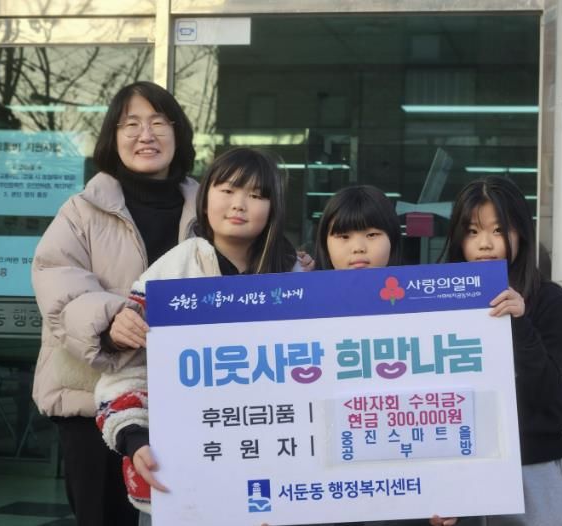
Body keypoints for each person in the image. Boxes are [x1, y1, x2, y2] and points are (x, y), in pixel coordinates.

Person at [94, 147, 301, 524]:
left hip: (275, 470)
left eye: (256, 195)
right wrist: (135, 438)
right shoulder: (174, 271)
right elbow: (127, 372)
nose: (239, 204)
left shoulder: (293, 278)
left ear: (273, 208)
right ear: (204, 198)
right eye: (228, 190)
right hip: (185, 474)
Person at [31, 81, 197, 526]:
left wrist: (290, 266)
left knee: (198, 510)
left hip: (190, 393)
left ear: (178, 133)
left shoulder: (208, 209)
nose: (146, 135)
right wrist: (109, 320)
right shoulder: (81, 210)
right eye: (131, 124)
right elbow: (57, 281)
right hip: (93, 396)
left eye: (159, 122)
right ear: (113, 136)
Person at [431, 176, 562, 526]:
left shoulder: (549, 299)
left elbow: (547, 391)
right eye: (472, 231)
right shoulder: (436, 297)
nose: (485, 244)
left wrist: (519, 322)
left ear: (520, 233)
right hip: (457, 462)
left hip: (531, 463)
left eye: (498, 230)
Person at [314, 185, 457, 526]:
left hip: (403, 484)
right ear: (325, 243)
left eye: (372, 234)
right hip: (326, 484)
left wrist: (451, 492)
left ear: (393, 238)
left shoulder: (429, 309)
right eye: (343, 236)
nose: (358, 247)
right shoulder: (300, 311)